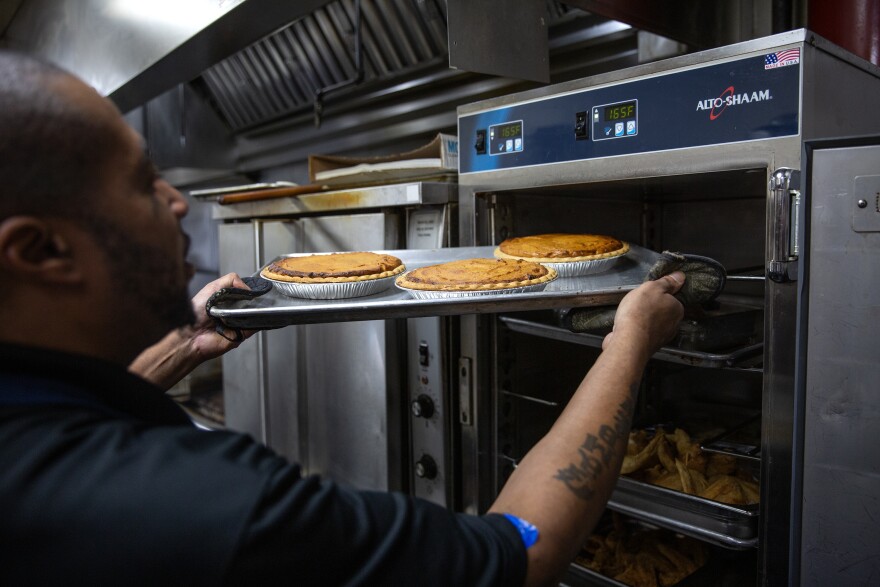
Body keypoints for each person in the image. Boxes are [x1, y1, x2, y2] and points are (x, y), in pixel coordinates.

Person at [0, 50, 685, 587]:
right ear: (41, 250)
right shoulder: (204, 510)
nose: (176, 202)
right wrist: (628, 340)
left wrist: (174, 352)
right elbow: (520, 552)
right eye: (142, 182)